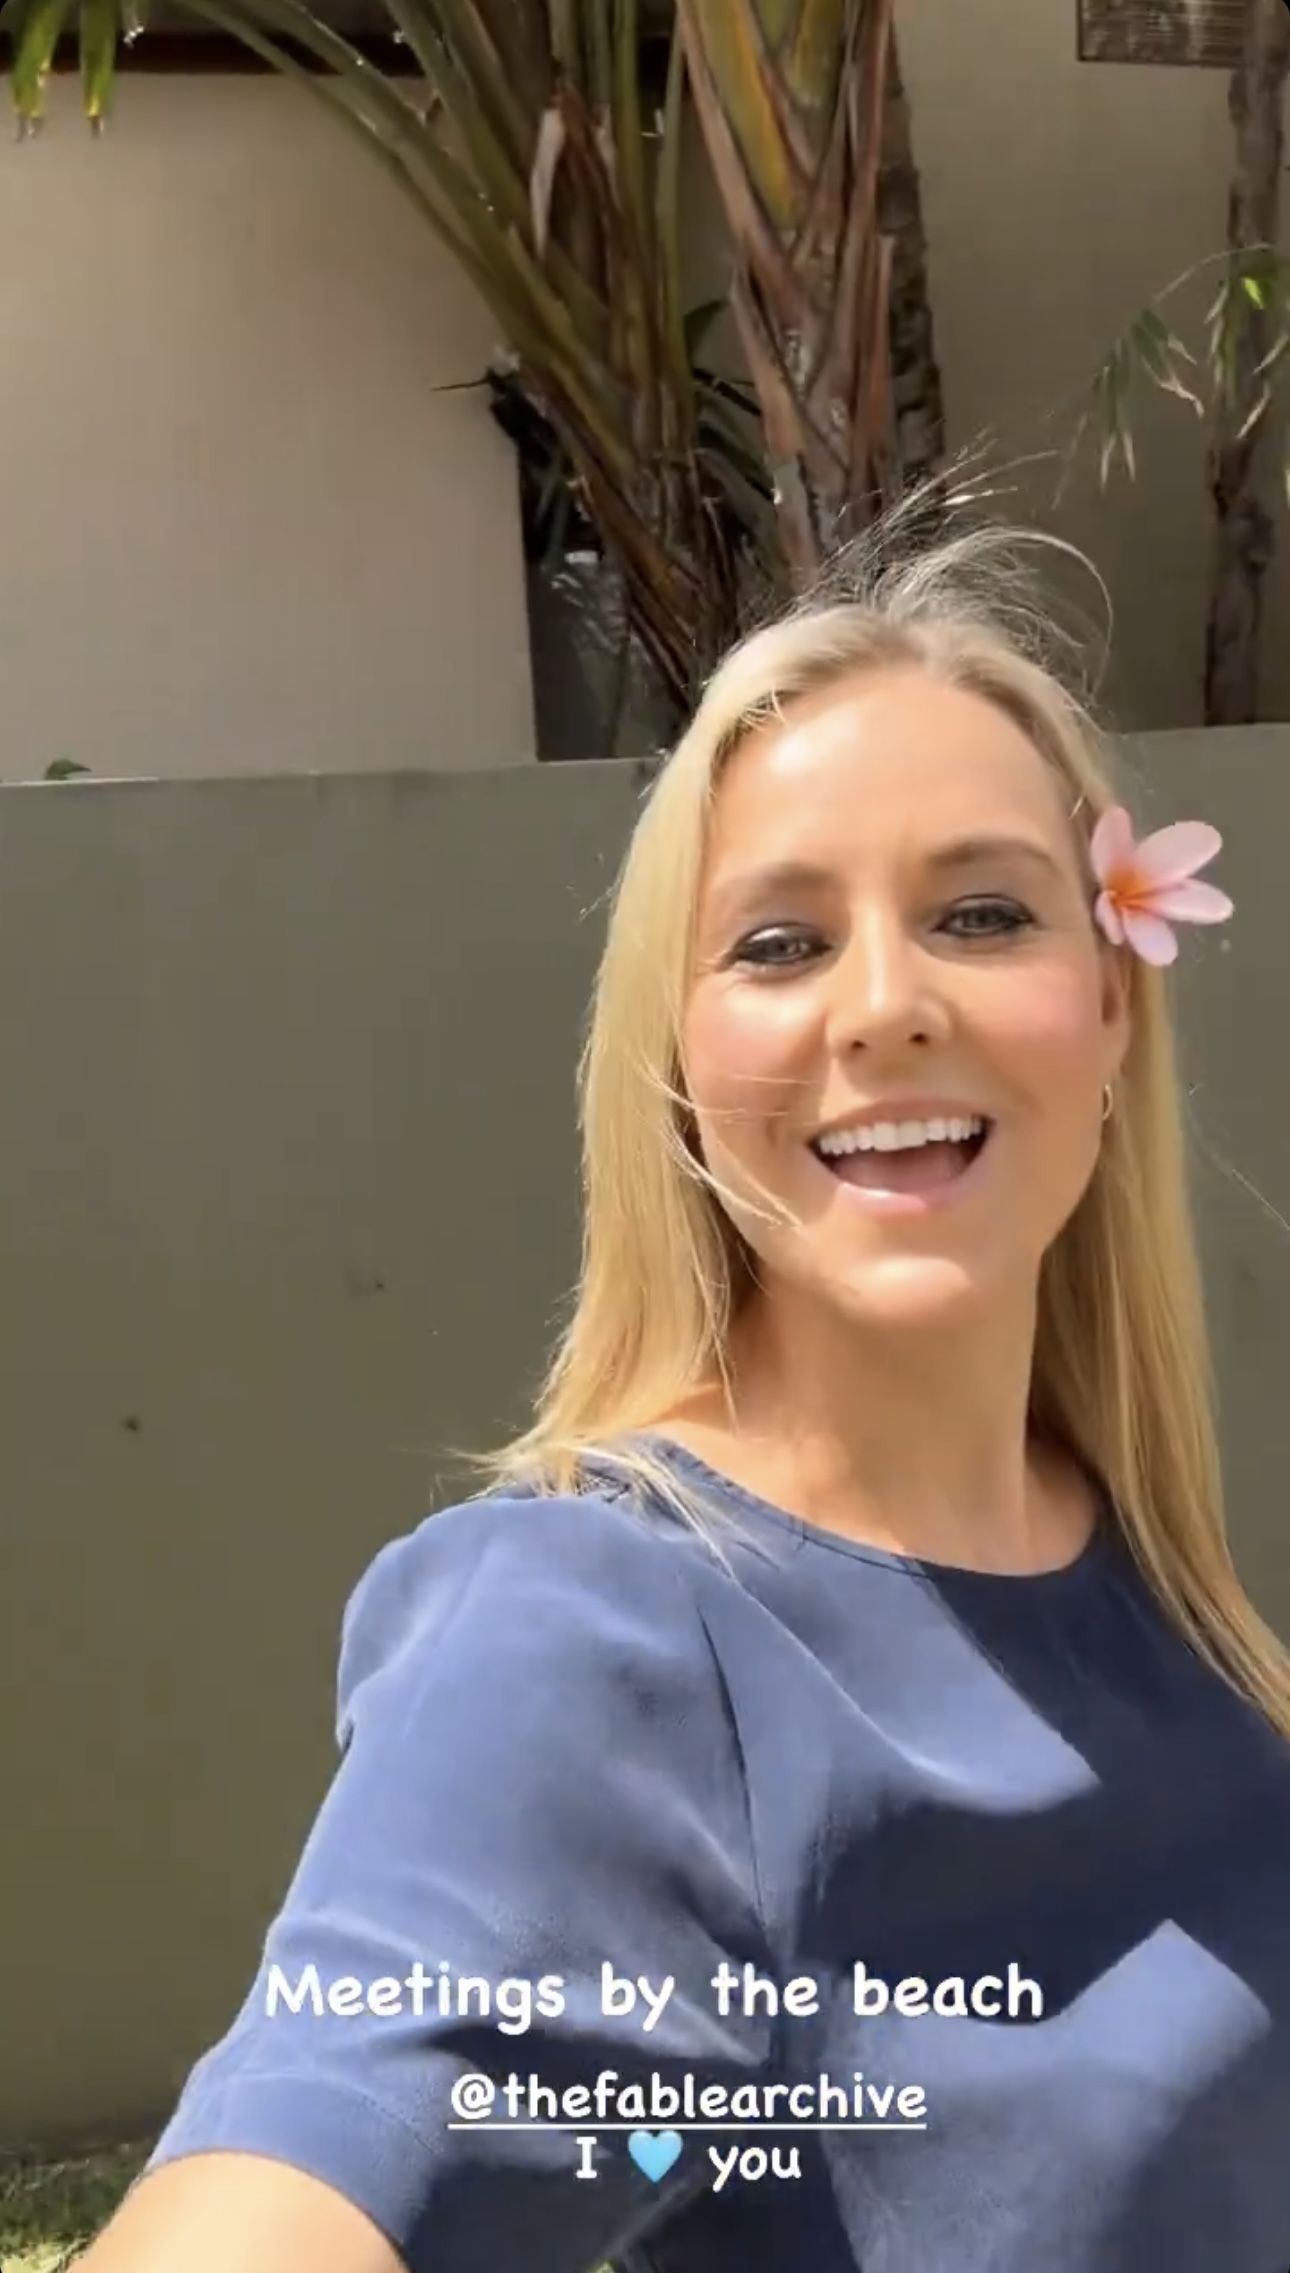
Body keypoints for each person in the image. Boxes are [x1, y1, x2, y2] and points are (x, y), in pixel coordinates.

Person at [79, 501, 1290, 2273]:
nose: (883, 1006)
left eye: (978, 912)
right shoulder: (600, 1631)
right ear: (675, 1061)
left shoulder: (1154, 1591)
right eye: (778, 943)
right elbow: (290, 2182)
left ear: (1109, 1000)